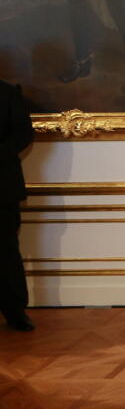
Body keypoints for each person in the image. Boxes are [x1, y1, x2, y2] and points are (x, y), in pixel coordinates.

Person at [0, 80, 34, 332]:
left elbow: (23, 133)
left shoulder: (8, 92)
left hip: (2, 186)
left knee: (6, 250)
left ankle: (15, 311)